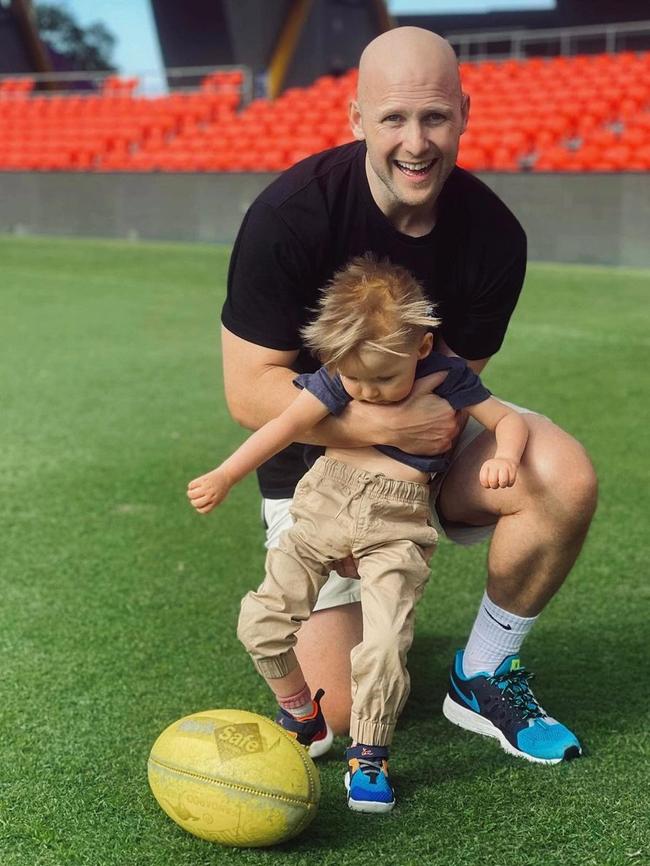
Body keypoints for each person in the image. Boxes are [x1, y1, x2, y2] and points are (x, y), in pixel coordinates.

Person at [218, 26, 597, 767]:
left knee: (562, 474)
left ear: (463, 111)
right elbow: (248, 392)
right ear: (358, 118)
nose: (415, 142)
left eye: (434, 117)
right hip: (311, 465)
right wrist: (356, 487)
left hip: (422, 452)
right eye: (393, 118)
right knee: (337, 713)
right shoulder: (290, 216)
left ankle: (482, 671)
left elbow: (453, 392)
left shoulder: (493, 236)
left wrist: (392, 497)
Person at [188, 255, 530, 811]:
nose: (367, 393)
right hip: (322, 502)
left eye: (384, 379)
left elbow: (506, 420)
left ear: (420, 347)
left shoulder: (447, 376)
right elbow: (283, 426)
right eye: (354, 379)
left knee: (385, 643)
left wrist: (507, 456)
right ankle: (301, 712)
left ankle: (369, 756)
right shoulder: (334, 377)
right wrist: (226, 474)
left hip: (396, 525)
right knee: (261, 620)